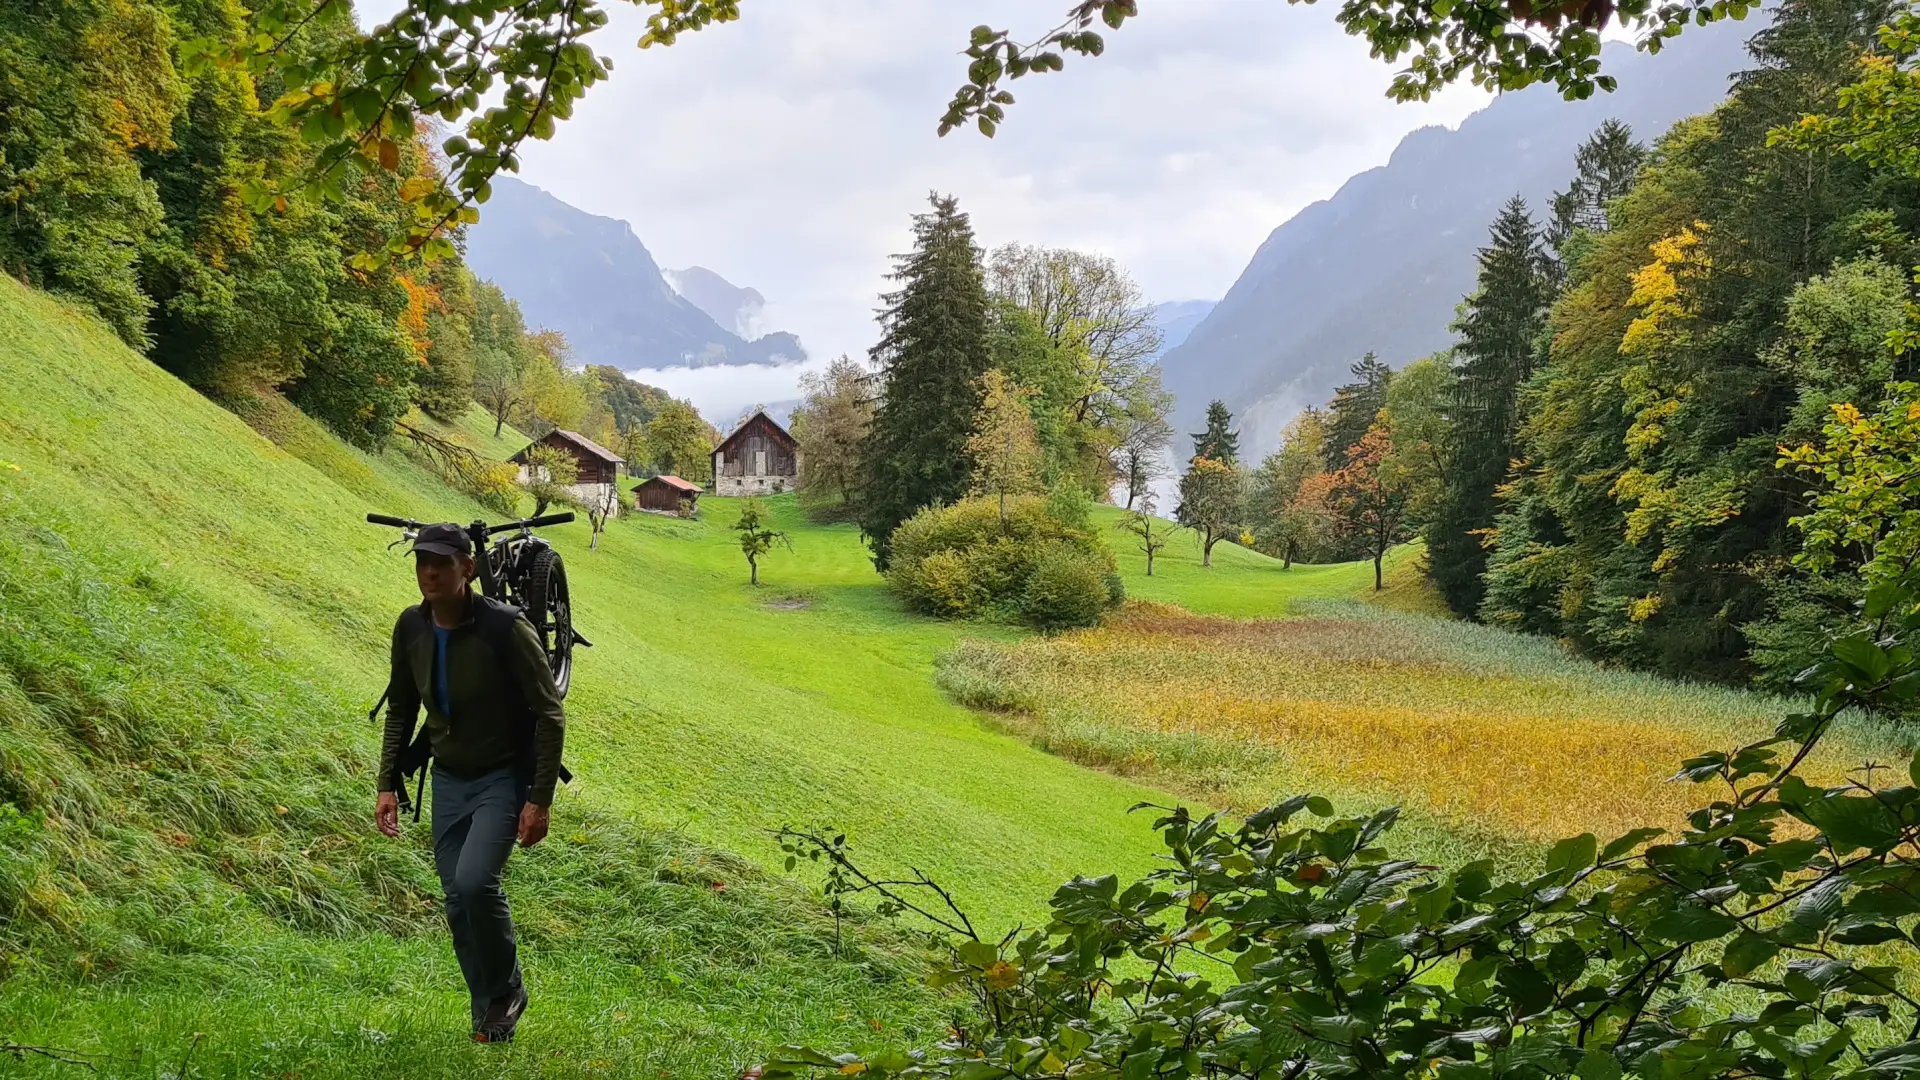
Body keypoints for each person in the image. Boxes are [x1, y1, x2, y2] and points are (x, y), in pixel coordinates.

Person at [374, 523, 566, 1043]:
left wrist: (539, 799)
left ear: (468, 569)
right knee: (457, 900)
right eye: (422, 562)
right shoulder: (411, 627)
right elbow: (401, 708)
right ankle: (489, 1017)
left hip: (503, 774)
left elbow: (550, 714)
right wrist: (387, 782)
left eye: (441, 563)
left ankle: (508, 990)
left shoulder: (505, 628)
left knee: (476, 881)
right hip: (448, 776)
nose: (430, 572)